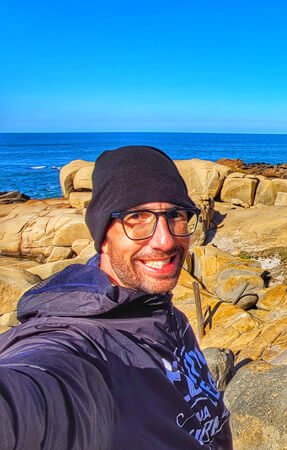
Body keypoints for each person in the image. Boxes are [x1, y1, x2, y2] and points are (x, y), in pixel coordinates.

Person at [0, 146, 232, 449]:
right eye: (137, 217)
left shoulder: (167, 317)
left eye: (175, 214)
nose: (164, 240)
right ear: (103, 235)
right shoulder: (75, 341)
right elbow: (36, 392)